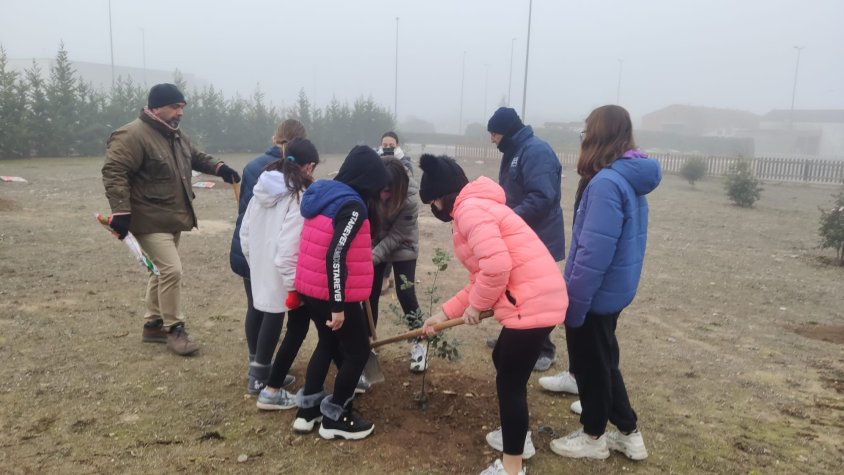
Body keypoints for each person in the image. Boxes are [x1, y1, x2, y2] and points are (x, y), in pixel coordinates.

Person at [418, 153, 568, 475]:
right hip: (538, 298)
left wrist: (476, 307)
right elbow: (479, 277)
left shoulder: (470, 212)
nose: (434, 210)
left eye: (433, 202)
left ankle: (512, 466)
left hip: (531, 303)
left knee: (510, 383)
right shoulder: (478, 207)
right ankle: (518, 435)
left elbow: (498, 268)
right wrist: (442, 315)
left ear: (445, 196)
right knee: (504, 359)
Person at [549, 105, 661, 461]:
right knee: (604, 361)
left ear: (597, 136)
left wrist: (575, 303)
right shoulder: (623, 178)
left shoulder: (606, 184)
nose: (582, 138)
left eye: (586, 131)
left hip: (595, 293)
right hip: (612, 290)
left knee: (593, 367)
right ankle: (629, 432)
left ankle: (594, 436)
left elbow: (593, 253)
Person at [102, 83, 240, 356]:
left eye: (182, 108)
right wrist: (120, 212)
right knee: (171, 271)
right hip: (147, 218)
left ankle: (152, 325)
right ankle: (174, 329)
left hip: (171, 216)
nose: (180, 113)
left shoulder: (174, 135)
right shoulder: (131, 135)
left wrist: (219, 168)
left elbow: (195, 156)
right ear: (155, 108)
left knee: (160, 271)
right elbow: (114, 171)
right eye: (174, 107)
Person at [292, 145, 388, 441]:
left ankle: (307, 411)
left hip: (311, 288)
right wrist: (338, 305)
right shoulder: (352, 206)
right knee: (358, 351)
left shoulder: (325, 194)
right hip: (332, 294)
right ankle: (337, 415)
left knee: (326, 341)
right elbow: (335, 255)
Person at [238, 138, 320, 410]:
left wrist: (253, 259)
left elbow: (245, 231)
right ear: (308, 166)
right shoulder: (298, 195)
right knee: (273, 313)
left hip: (260, 261)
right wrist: (292, 282)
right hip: (280, 265)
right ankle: (260, 380)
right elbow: (289, 242)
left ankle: (259, 371)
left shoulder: (263, 186)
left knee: (260, 310)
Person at [486, 106, 566, 374]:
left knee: (536, 296)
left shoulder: (535, 151)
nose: (492, 140)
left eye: (495, 134)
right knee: (516, 292)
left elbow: (541, 197)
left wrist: (507, 220)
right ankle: (512, 335)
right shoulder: (514, 152)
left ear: (507, 131)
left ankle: (544, 349)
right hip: (522, 237)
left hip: (539, 237)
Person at [230, 119, 306, 394]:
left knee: (255, 306)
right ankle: (261, 374)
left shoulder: (253, 167)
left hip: (249, 245)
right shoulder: (292, 177)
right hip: (270, 249)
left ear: (275, 136)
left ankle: (256, 364)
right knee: (273, 309)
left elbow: (246, 213)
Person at [367, 157, 423, 372]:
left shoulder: (409, 199)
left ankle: (419, 342)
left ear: (399, 187)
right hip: (376, 241)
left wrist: (373, 256)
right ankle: (369, 341)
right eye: (381, 189)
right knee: (369, 293)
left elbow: (399, 234)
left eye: (389, 191)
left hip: (403, 245)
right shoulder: (372, 187)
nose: (383, 196)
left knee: (405, 293)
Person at [375, 131, 413, 297]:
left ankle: (385, 278)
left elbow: (408, 190)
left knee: (405, 293)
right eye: (385, 146)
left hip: (398, 217)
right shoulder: (375, 163)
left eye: (392, 145)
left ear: (398, 145)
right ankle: (384, 278)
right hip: (381, 217)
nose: (388, 148)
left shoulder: (405, 163)